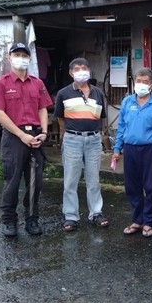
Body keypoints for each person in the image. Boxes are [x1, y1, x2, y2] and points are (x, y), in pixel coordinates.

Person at [0, 42, 53, 237]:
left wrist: (43, 132)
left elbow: (43, 109)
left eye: (24, 55)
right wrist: (21, 134)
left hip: (35, 137)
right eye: (16, 54)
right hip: (14, 138)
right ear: (9, 58)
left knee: (35, 182)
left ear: (29, 58)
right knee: (12, 181)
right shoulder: (1, 83)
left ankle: (32, 220)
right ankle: (9, 221)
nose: (21, 58)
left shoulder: (37, 83)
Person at [112, 68, 152, 238]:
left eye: (145, 82)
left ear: (151, 85)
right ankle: (137, 220)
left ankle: (148, 222)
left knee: (149, 187)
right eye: (138, 81)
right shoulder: (127, 102)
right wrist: (117, 148)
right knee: (132, 187)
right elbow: (121, 127)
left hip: (149, 150)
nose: (141, 85)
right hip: (130, 149)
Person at [54, 57, 109, 232]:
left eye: (84, 67)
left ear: (89, 70)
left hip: (93, 140)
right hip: (72, 140)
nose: (81, 71)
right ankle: (70, 216)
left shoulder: (98, 93)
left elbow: (101, 118)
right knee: (70, 180)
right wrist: (69, 134)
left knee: (94, 179)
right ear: (71, 73)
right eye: (76, 68)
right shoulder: (63, 93)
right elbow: (60, 118)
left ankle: (96, 213)